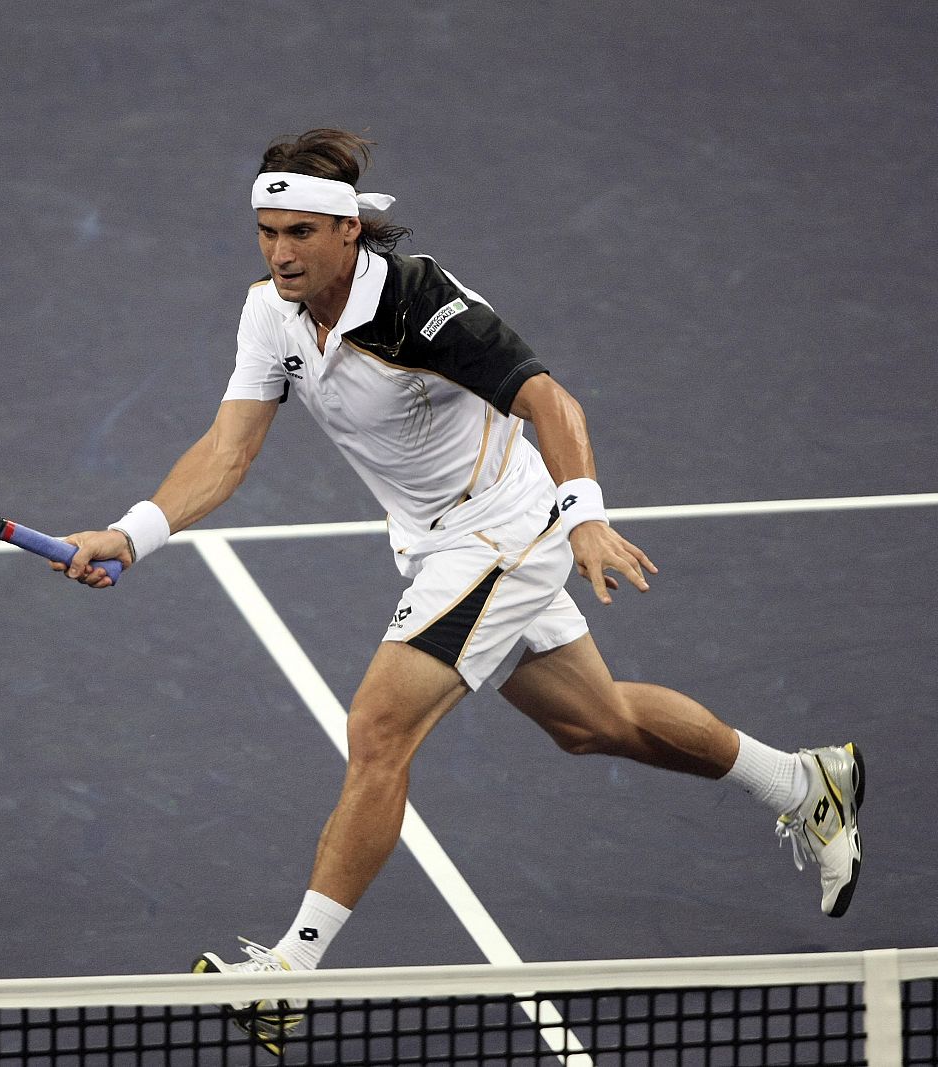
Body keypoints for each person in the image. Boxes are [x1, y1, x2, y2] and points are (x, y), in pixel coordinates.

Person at [57, 128, 864, 1054]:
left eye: (301, 234)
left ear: (348, 230)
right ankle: (805, 782)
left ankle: (288, 973)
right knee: (594, 722)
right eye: (266, 232)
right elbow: (227, 449)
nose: (281, 251)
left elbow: (549, 400)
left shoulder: (420, 305)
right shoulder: (269, 315)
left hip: (504, 532)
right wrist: (132, 533)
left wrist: (586, 513)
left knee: (378, 730)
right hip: (433, 542)